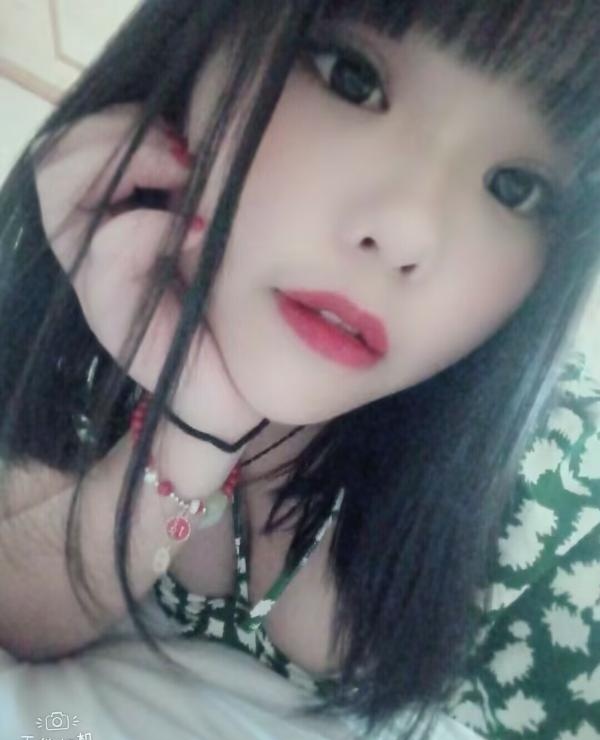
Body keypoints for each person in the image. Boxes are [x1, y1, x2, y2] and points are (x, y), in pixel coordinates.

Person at [0, 1, 598, 738]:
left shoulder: (564, 516)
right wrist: (189, 434)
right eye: (351, 78)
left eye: (515, 188)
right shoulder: (113, 290)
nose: (406, 232)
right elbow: (14, 605)